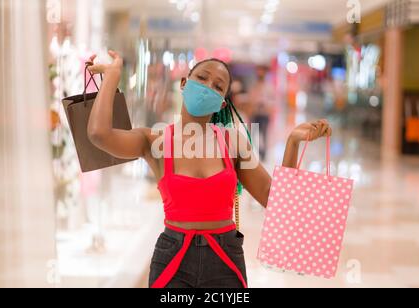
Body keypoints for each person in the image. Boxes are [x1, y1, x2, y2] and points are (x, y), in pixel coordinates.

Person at [86, 50, 332, 288]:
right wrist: (112, 76)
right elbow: (99, 135)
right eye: (202, 78)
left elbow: (275, 198)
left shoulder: (233, 143)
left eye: (217, 86)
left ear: (222, 102)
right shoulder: (155, 141)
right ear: (184, 83)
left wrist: (293, 142)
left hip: (224, 259)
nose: (207, 87)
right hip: (172, 258)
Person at [248, 65, 277, 161]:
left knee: (264, 135)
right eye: (258, 72)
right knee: (252, 134)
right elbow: (250, 99)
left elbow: (273, 100)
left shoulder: (269, 87)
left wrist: (266, 104)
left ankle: (263, 154)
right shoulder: (254, 86)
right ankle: (252, 153)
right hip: (254, 114)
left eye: (262, 72)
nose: (260, 74)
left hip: (264, 115)